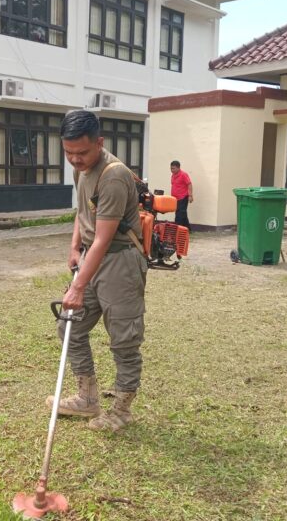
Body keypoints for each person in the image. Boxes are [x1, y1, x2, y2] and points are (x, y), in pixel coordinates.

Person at [47, 110, 148, 433]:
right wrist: (74, 246)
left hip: (120, 261)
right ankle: (87, 398)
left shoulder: (114, 175)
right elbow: (83, 212)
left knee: (123, 339)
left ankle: (121, 410)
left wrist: (78, 286)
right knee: (70, 327)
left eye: (82, 152)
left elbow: (105, 237)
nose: (75, 159)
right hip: (92, 255)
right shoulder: (83, 170)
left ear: (100, 143)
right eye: (68, 153)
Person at [170, 160, 193, 231]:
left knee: (179, 214)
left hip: (183, 197)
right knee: (183, 214)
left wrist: (190, 195)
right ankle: (188, 229)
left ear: (178, 168)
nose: (172, 170)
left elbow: (189, 184)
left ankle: (176, 230)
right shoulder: (173, 175)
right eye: (171, 168)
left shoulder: (183, 174)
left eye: (173, 168)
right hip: (175, 198)